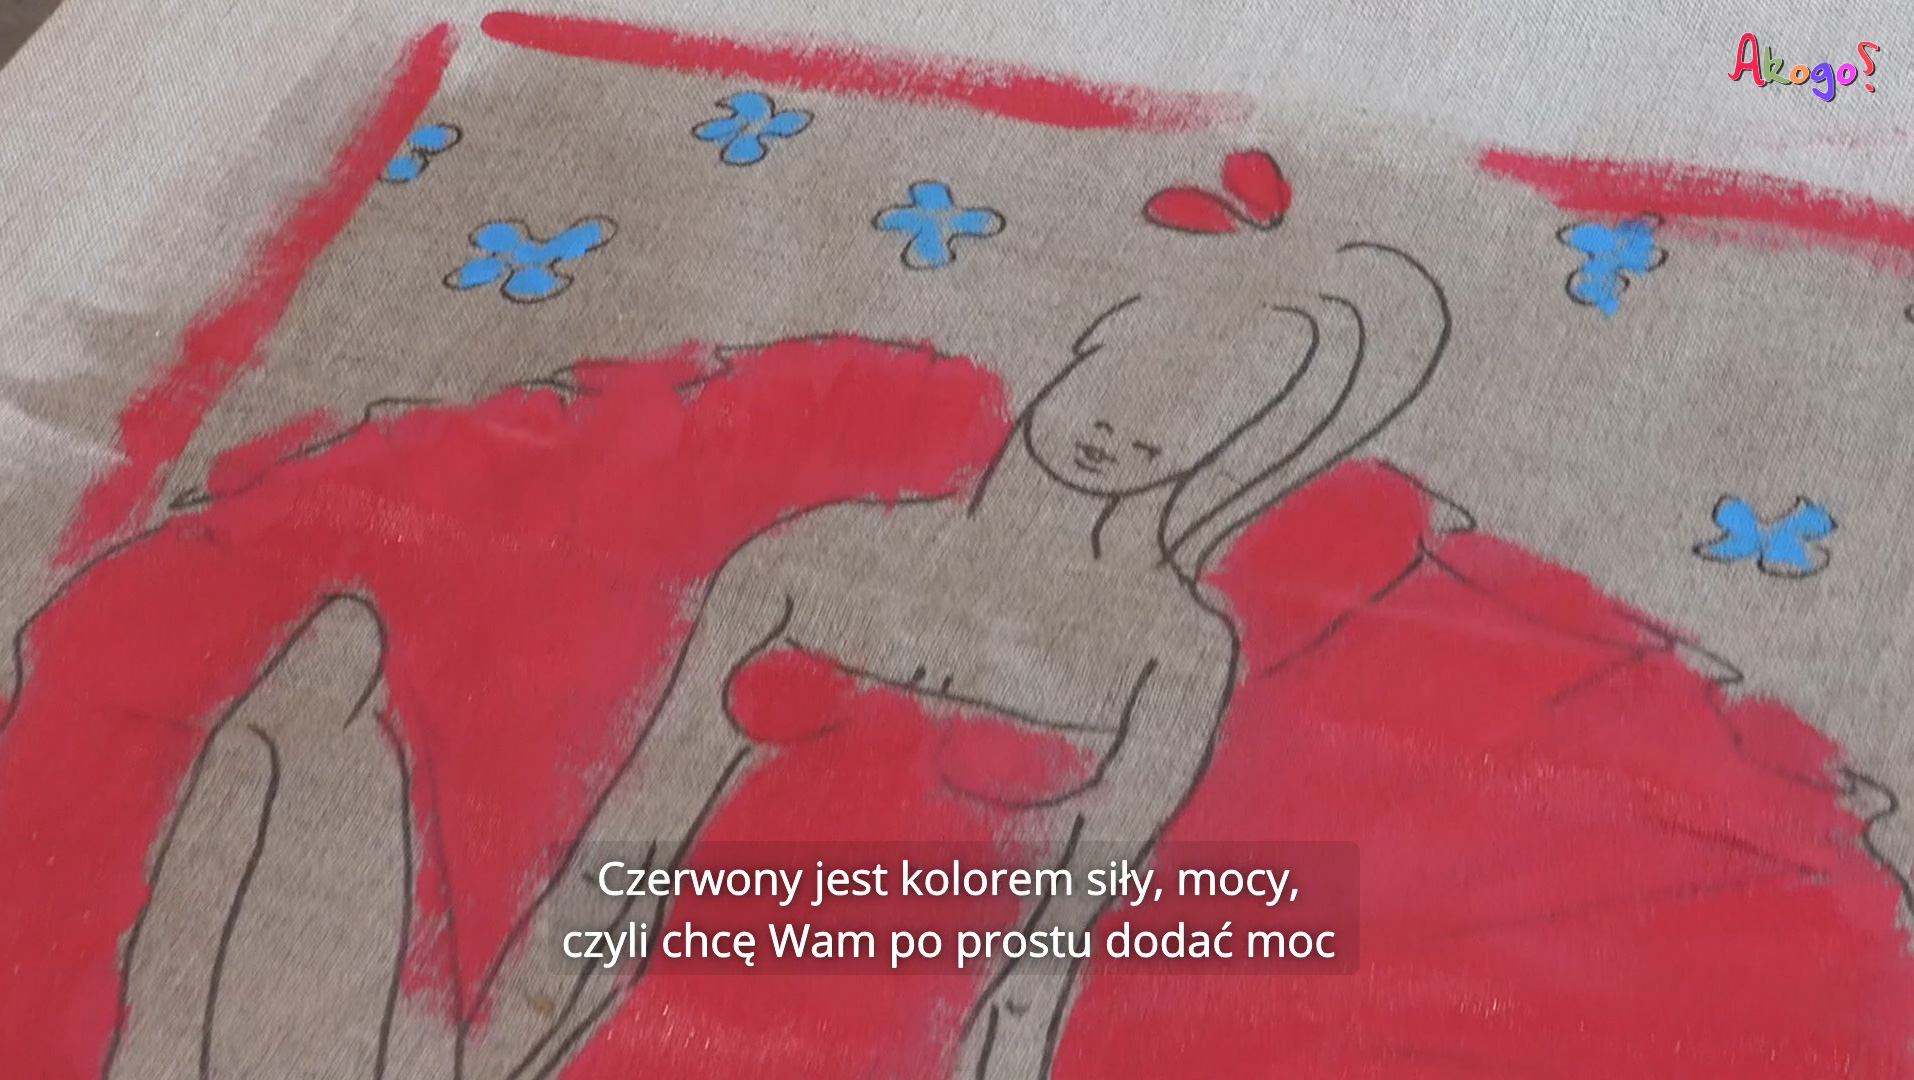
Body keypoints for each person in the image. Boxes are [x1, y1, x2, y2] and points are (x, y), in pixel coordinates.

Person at [105, 241, 1447, 1080]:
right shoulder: (818, 552)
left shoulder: (1173, 651)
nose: (1131, 430)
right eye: (1127, 381)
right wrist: (521, 1047)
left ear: (1233, 447)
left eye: (1193, 417)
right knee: (302, 728)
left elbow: (1045, 960)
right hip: (653, 1023)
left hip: (889, 1045)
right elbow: (632, 838)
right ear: (1080, 352)